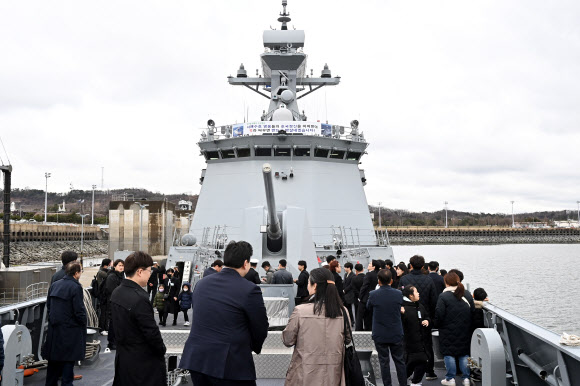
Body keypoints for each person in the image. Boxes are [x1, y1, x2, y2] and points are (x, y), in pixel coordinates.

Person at [179, 241, 269, 385]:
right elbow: (260, 326)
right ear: (246, 263)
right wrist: (254, 347)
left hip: (197, 360)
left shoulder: (201, 284)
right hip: (230, 365)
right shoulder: (249, 289)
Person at [283, 268, 349, 385]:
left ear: (315, 286)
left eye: (309, 282)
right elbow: (347, 339)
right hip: (333, 374)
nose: (308, 286)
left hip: (305, 372)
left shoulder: (300, 311)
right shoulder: (343, 311)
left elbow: (288, 340)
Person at [111, 251, 167, 385]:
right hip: (142, 364)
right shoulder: (140, 299)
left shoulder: (117, 292)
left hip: (123, 359)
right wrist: (162, 350)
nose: (150, 274)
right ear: (140, 271)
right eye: (149, 271)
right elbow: (151, 333)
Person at [44, 261, 86, 386]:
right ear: (76, 273)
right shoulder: (76, 287)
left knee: (53, 366)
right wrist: (82, 324)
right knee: (68, 366)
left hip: (54, 331)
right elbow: (79, 311)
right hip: (70, 332)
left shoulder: (55, 285)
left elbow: (49, 305)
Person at [399, 255, 438, 380]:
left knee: (408, 345)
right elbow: (434, 301)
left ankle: (408, 370)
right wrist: (430, 319)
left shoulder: (404, 279)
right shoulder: (428, 280)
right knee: (426, 345)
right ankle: (429, 371)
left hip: (408, 317)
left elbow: (399, 296)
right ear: (423, 266)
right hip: (424, 316)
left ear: (410, 265)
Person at [366, 269, 406, 386]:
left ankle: (387, 384)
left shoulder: (373, 294)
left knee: (384, 362)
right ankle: (403, 383)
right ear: (391, 280)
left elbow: (368, 307)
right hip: (395, 331)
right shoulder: (398, 294)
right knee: (399, 361)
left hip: (380, 333)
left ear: (379, 281)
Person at [435, 272, 473, 386]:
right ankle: (466, 378)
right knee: (464, 354)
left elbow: (439, 314)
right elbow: (473, 312)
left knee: (449, 353)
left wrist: (437, 325)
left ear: (446, 282)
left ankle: (450, 379)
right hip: (465, 329)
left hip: (447, 329)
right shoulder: (466, 294)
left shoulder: (443, 296)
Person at [401, 285, 431, 386]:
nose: (418, 293)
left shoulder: (419, 306)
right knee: (412, 362)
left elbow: (427, 316)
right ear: (410, 295)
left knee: (422, 360)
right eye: (416, 292)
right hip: (409, 341)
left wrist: (427, 320)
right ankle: (408, 380)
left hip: (422, 340)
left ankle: (415, 381)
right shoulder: (402, 308)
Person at [105, 259, 124, 350]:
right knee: (113, 322)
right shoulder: (112, 276)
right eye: (119, 265)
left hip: (120, 303)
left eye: (123, 266)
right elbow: (110, 290)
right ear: (115, 266)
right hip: (113, 303)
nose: (121, 267)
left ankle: (116, 341)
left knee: (118, 322)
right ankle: (111, 342)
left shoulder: (121, 276)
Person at [356, 259, 380, 331]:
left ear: (374, 267)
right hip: (376, 297)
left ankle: (359, 330)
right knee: (370, 316)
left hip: (366, 298)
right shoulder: (378, 274)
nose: (368, 265)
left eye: (370, 264)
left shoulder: (369, 274)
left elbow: (364, 286)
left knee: (361, 316)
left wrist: (360, 297)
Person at [96, 258, 111, 334]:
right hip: (103, 295)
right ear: (107, 264)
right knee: (104, 312)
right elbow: (109, 276)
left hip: (104, 295)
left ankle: (105, 328)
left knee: (105, 312)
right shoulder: (102, 272)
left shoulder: (102, 271)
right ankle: (102, 329)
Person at [351, 263, 365, 329]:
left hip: (357, 299)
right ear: (363, 269)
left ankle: (359, 328)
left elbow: (354, 289)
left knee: (357, 315)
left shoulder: (354, 279)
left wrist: (359, 296)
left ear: (355, 270)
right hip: (365, 299)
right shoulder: (366, 277)